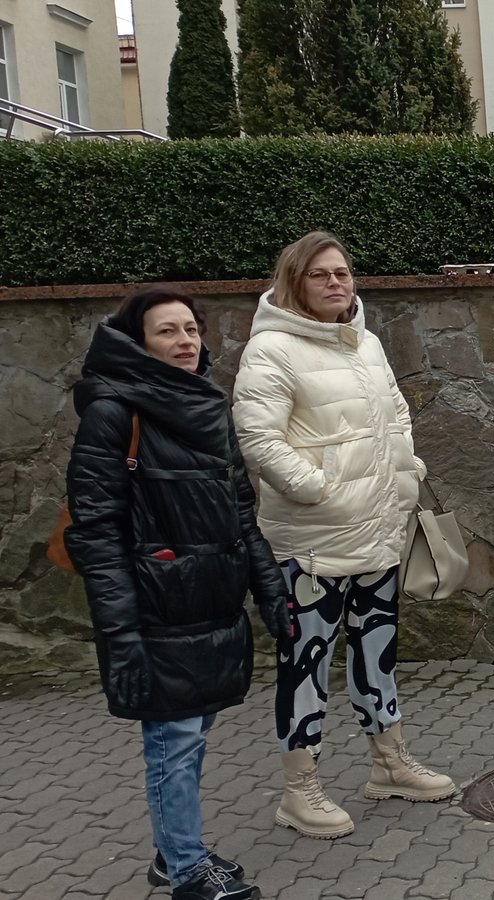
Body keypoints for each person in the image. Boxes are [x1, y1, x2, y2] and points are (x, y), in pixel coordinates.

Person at [66, 288, 291, 900]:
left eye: (191, 329)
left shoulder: (207, 407)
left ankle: (176, 854)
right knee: (175, 741)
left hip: (208, 607)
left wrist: (271, 593)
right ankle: (187, 871)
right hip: (157, 611)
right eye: (168, 331)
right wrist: (122, 636)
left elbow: (243, 515)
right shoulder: (113, 413)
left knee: (190, 739)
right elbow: (96, 535)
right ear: (137, 344)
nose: (187, 340)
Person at [234, 231, 455, 840]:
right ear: (294, 282)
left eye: (343, 272)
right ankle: (299, 787)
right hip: (311, 547)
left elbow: (397, 411)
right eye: (321, 274)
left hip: (378, 531)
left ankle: (390, 761)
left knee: (375, 653)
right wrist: (318, 487)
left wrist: (407, 466)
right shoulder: (271, 350)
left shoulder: (369, 343)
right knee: (305, 663)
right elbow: (258, 439)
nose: (337, 282)